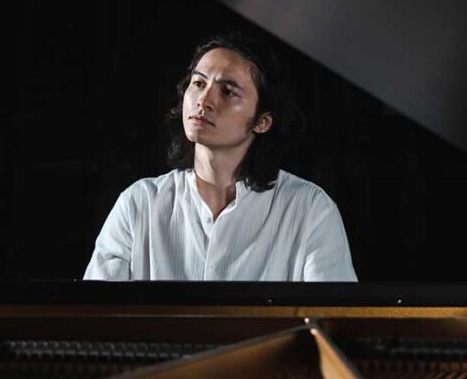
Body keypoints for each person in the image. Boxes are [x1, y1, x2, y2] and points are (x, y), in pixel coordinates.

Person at [84, 32, 357, 281]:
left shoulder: (310, 210)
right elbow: (94, 313)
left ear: (262, 121)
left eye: (228, 91)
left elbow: (332, 316)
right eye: (198, 83)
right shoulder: (139, 203)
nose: (203, 100)